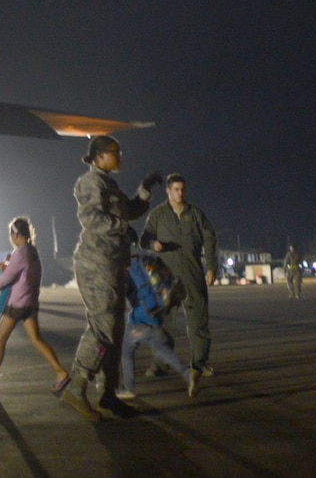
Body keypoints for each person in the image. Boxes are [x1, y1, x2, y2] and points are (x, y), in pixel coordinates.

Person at [63, 134, 160, 421]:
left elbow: (128, 211)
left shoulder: (109, 184)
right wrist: (121, 228)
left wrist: (144, 190)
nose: (119, 156)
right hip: (96, 264)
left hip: (113, 263)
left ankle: (107, 395)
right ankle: (77, 387)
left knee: (115, 331)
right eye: (115, 152)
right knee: (103, 326)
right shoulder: (90, 182)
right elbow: (91, 219)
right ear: (99, 157)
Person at [0, 216, 70, 394]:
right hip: (31, 302)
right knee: (35, 339)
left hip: (18, 304)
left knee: (0, 339)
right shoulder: (32, 252)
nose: (10, 237)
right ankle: (60, 372)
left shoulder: (20, 253)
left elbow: (5, 279)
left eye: (11, 233)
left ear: (15, 234)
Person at [142, 173, 218, 378]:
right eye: (176, 189)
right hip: (166, 278)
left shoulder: (195, 214)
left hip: (193, 274)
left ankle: (200, 364)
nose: (180, 193)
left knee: (199, 322)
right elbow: (144, 239)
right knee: (163, 323)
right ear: (168, 191)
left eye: (183, 189)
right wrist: (152, 245)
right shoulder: (158, 215)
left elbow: (210, 239)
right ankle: (160, 364)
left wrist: (211, 268)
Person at [119, 255, 191, 399]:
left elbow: (124, 292)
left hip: (141, 315)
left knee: (126, 351)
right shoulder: (145, 258)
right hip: (157, 312)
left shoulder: (130, 268)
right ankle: (188, 373)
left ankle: (129, 388)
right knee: (161, 349)